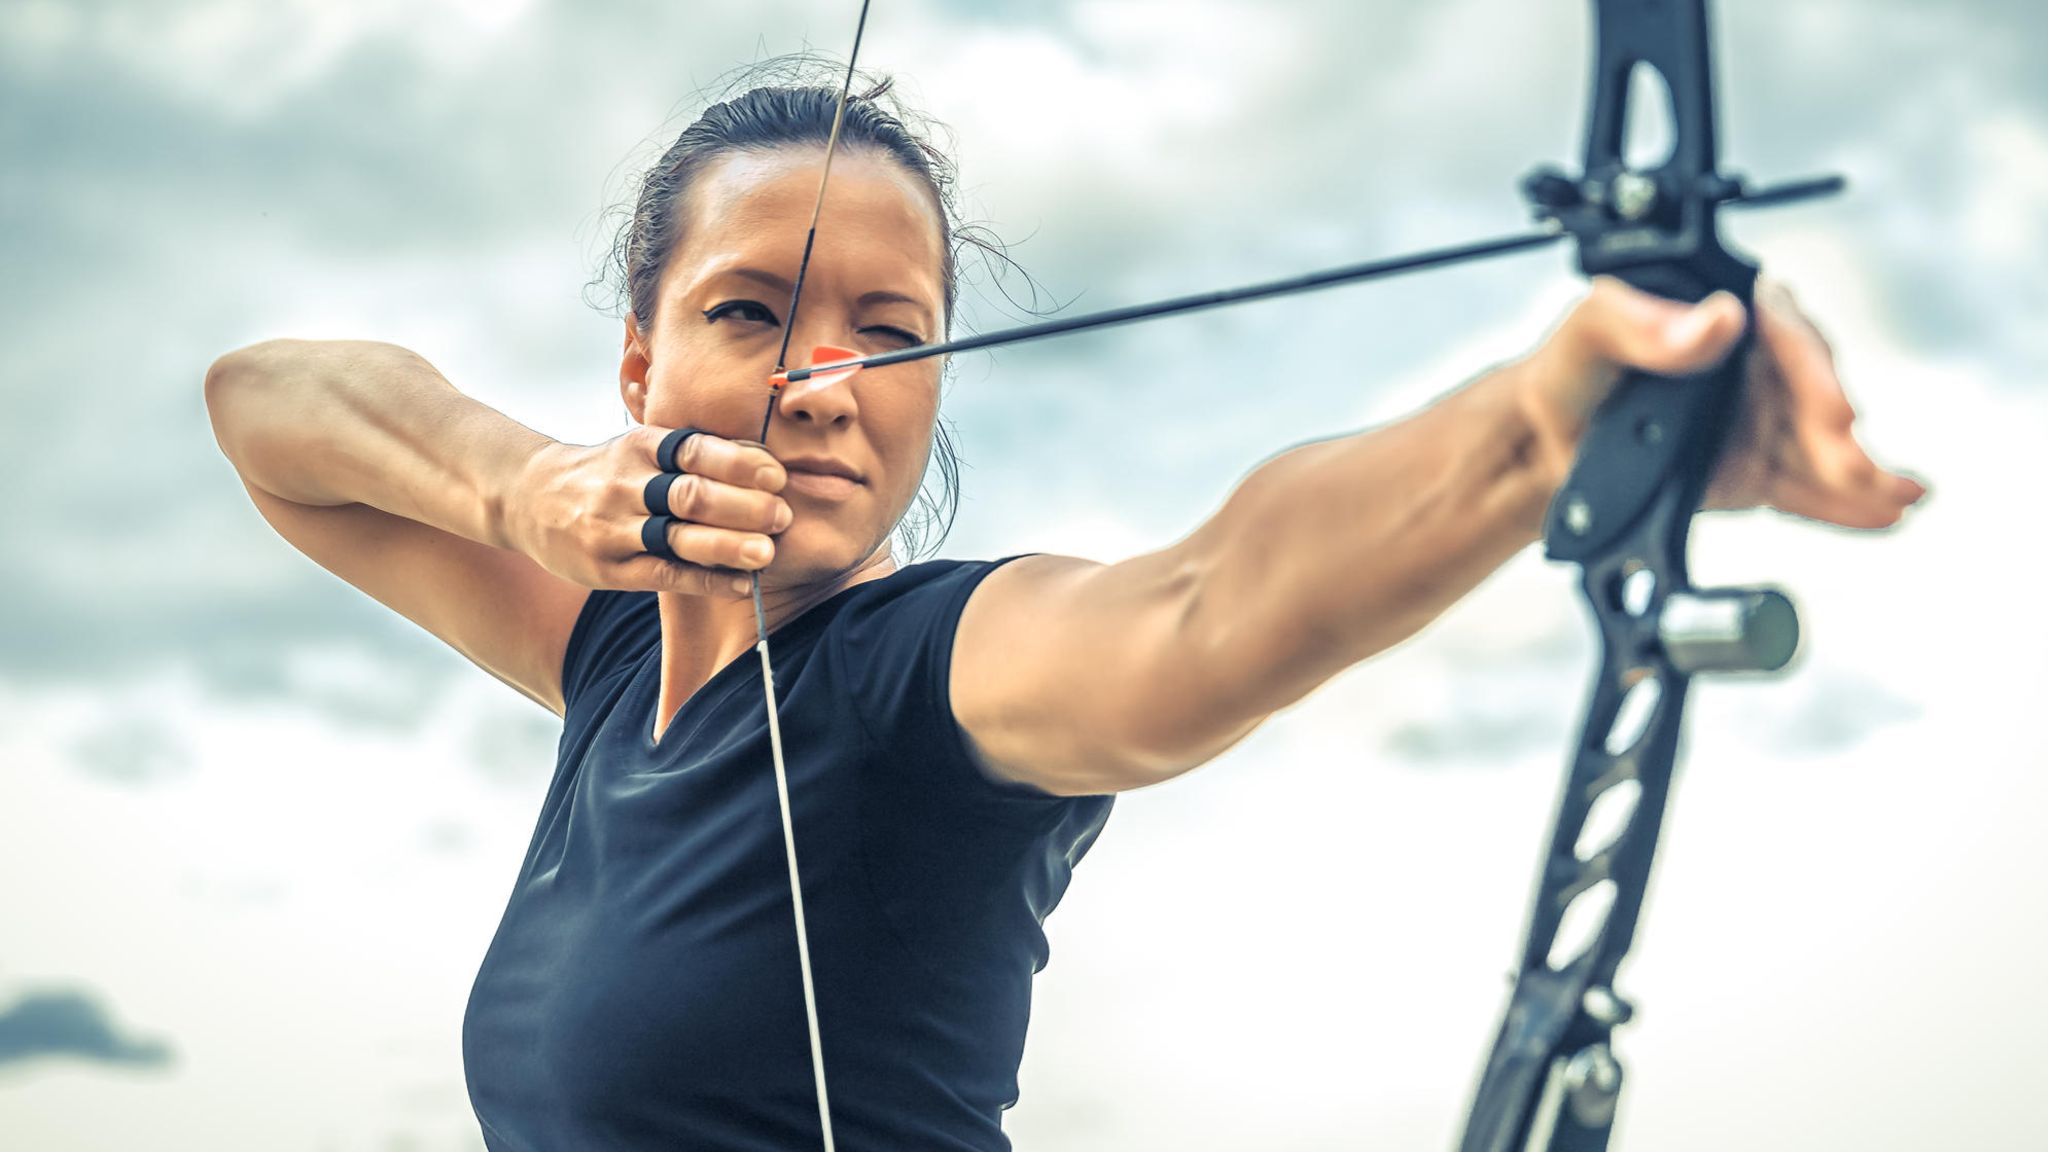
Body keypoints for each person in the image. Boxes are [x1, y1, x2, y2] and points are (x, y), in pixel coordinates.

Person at [201, 74, 1925, 1152]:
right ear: (641, 360)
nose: (825, 381)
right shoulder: (603, 663)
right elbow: (268, 415)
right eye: (752, 311)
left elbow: (1203, 607)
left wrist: (1549, 423)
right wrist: (518, 486)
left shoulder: (928, 680)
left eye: (892, 329)